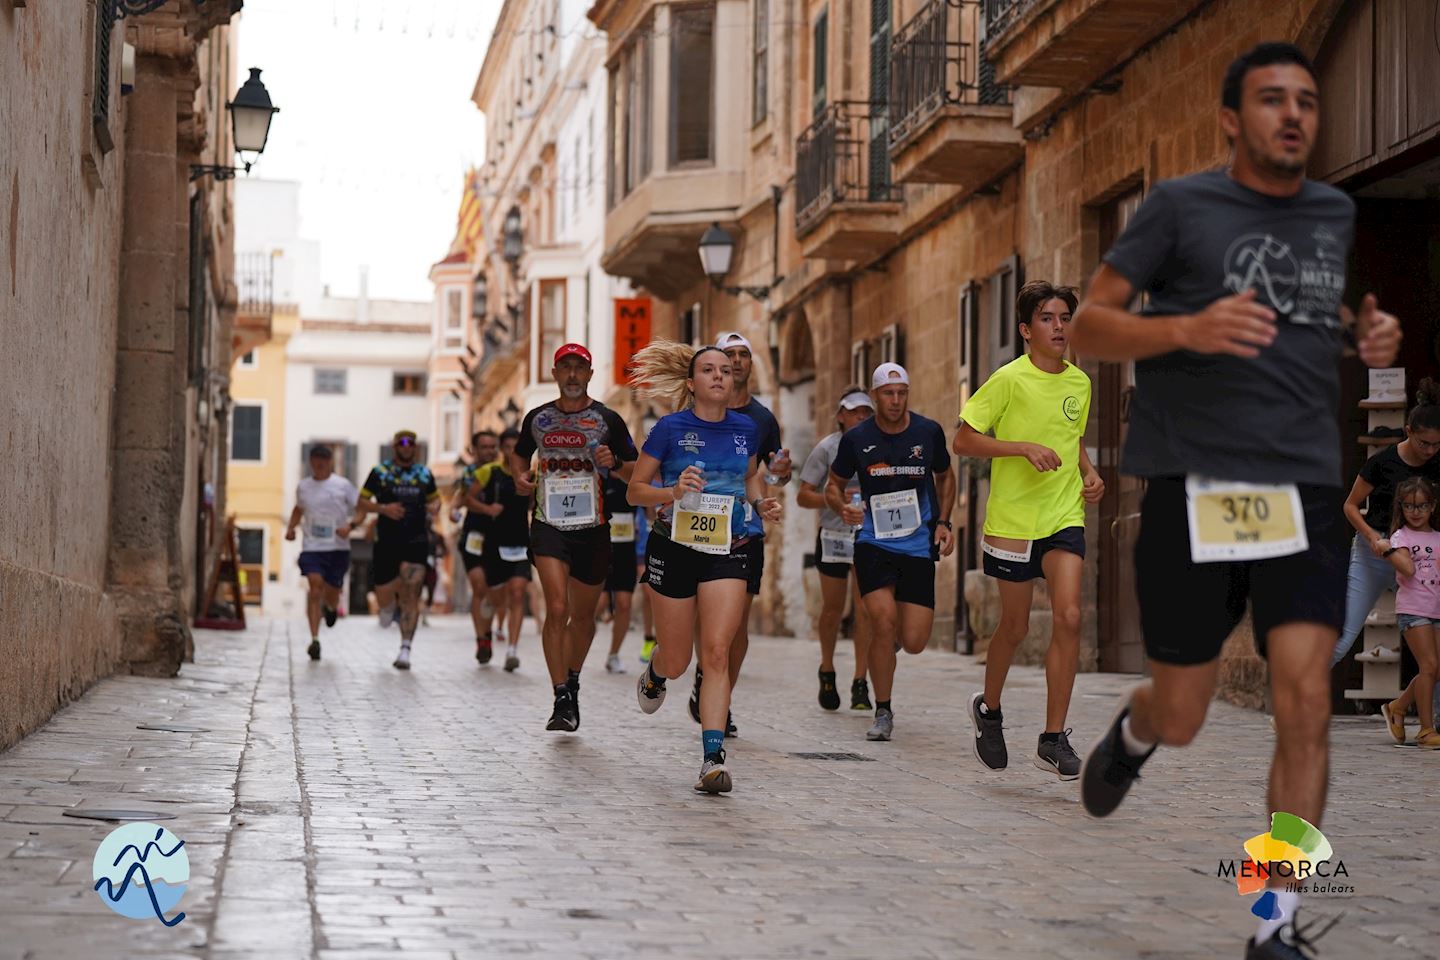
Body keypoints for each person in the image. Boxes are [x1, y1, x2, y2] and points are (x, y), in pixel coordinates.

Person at [1068, 42, 1401, 958]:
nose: (1294, 114)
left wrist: (1363, 333)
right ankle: (1135, 733)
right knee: (1185, 715)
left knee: (1304, 700)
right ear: (1231, 119)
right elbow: (1092, 320)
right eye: (1271, 100)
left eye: (1305, 100)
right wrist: (1187, 327)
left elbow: (1311, 309)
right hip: (1192, 483)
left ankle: (1276, 921)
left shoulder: (1334, 212)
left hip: (1302, 485)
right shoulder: (1179, 207)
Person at [952, 281, 1104, 780]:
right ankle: (989, 710)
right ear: (1025, 329)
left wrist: (1087, 470)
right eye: (1047, 318)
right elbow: (964, 440)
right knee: (1014, 627)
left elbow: (1071, 436)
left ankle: (1053, 736)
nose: (1059, 327)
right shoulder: (1008, 380)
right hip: (1014, 522)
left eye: (1064, 318)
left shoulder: (1080, 383)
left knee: (1070, 615)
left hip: (1063, 516)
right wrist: (1020, 448)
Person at [628, 342, 783, 793]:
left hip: (728, 547)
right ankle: (656, 675)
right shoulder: (669, 429)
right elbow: (635, 491)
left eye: (726, 370)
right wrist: (672, 492)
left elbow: (750, 473)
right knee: (678, 660)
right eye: (709, 370)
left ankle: (712, 760)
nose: (721, 375)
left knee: (716, 652)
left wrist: (760, 502)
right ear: (691, 384)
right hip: (673, 547)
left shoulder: (746, 428)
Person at [510, 343, 637, 731]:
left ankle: (574, 678)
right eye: (565, 367)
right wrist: (520, 477)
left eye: (578, 368)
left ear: (589, 375)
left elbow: (636, 472)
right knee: (558, 608)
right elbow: (519, 456)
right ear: (554, 373)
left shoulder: (608, 420)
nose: (571, 375)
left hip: (594, 527)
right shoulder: (538, 418)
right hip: (548, 524)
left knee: (584, 618)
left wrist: (613, 463)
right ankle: (560, 694)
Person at [826, 363, 955, 742]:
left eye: (902, 394)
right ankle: (882, 709)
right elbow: (833, 485)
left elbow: (946, 476)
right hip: (874, 542)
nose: (895, 401)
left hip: (917, 546)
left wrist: (944, 522)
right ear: (875, 395)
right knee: (881, 622)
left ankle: (889, 646)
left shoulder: (928, 432)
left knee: (913, 641)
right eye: (887, 394)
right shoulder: (857, 438)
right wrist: (842, 508)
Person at [687, 332, 792, 737]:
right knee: (702, 616)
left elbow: (770, 475)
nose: (735, 362)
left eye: (742, 356)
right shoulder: (692, 409)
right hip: (693, 526)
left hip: (742, 530)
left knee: (737, 623)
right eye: (727, 356)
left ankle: (720, 696)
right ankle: (705, 671)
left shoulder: (762, 420)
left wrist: (778, 477)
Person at [1333, 385, 1440, 667]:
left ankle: (1425, 710)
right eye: (1423, 443)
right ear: (1408, 431)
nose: (1430, 450)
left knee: (1435, 643)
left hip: (1421, 558)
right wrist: (1370, 537)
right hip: (1376, 553)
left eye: (1436, 444)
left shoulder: (1439, 464)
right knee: (1343, 636)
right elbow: (1350, 505)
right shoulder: (1382, 462)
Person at [797, 386, 875, 712]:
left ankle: (860, 681)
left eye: (866, 412)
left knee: (866, 608)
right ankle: (827, 667)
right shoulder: (827, 448)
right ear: (841, 415)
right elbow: (803, 496)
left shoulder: (877, 445)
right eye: (855, 411)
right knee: (833, 608)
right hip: (833, 534)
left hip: (869, 534)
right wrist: (834, 501)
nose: (861, 417)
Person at [357, 430, 441, 670]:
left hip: (416, 540)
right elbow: (361, 501)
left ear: (415, 447)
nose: (407, 446)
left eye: (411, 443)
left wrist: (434, 506)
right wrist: (383, 509)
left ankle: (405, 648)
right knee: (384, 592)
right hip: (386, 541)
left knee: (411, 593)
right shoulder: (380, 472)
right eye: (402, 443)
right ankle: (386, 607)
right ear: (394, 446)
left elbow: (436, 499)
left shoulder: (424, 474)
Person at [1374, 478, 1440, 749]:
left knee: (1436, 669)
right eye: (1410, 506)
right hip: (1414, 610)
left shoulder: (1437, 538)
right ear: (1401, 507)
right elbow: (1409, 570)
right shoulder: (1400, 537)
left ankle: (1398, 707)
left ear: (1432, 506)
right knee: (1429, 667)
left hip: (1436, 609)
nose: (1416, 511)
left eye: (1422, 505)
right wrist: (1387, 548)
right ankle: (1425, 730)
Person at [285, 445, 358, 661]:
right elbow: (298, 509)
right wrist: (291, 527)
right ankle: (314, 640)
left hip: (337, 548)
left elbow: (360, 508)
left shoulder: (343, 486)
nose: (319, 465)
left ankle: (331, 607)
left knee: (331, 592)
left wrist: (351, 527)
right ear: (310, 462)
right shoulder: (303, 487)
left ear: (330, 462)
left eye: (323, 462)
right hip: (312, 546)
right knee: (314, 586)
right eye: (315, 461)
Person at [474, 428, 533, 672]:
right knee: (498, 598)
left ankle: (512, 650)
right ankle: (490, 601)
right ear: (502, 449)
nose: (511, 452)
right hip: (493, 544)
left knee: (518, 593)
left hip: (520, 541)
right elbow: (466, 498)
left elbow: (534, 504)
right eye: (507, 447)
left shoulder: (531, 475)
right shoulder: (490, 472)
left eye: (516, 447)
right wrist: (487, 509)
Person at [455, 430, 502, 663]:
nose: (490, 451)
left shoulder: (504, 471)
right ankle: (481, 638)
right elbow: (461, 497)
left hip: (498, 538)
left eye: (493, 446)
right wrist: (454, 511)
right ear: (474, 450)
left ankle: (488, 629)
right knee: (479, 586)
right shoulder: (470, 472)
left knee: (493, 592)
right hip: (473, 535)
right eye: (484, 446)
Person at [601, 473, 637, 673]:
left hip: (626, 550)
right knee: (598, 604)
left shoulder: (634, 479)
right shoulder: (599, 476)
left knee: (624, 604)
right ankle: (574, 644)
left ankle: (613, 655)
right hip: (600, 548)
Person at [635, 504, 657, 663]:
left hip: (670, 546)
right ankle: (649, 638)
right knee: (648, 593)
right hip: (643, 548)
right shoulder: (644, 481)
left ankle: (663, 639)